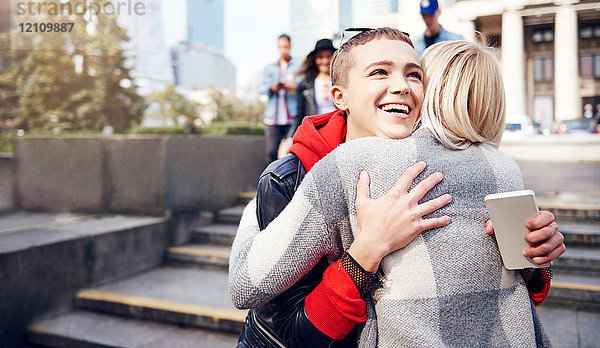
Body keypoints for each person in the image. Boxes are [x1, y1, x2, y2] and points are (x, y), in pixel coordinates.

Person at [230, 28, 565, 347]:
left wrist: (535, 260)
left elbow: (504, 295)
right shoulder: (289, 179)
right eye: (380, 72)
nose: (402, 86)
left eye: (414, 74)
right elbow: (288, 334)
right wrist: (367, 251)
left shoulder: (446, 169)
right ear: (339, 96)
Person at [280, 38, 338, 153]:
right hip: (315, 131)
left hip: (338, 128)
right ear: (314, 60)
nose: (325, 61)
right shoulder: (305, 85)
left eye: (328, 56)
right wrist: (290, 136)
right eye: (320, 57)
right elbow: (299, 113)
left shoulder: (342, 82)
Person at [259, 33, 301, 164]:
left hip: (292, 117)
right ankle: (271, 182)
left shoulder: (298, 66)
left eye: (286, 47)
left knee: (294, 152)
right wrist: (271, 88)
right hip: (274, 118)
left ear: (290, 46)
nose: (283, 50)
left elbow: (303, 85)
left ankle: (292, 183)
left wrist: (293, 87)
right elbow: (260, 88)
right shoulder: (269, 67)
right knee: (271, 152)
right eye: (280, 47)